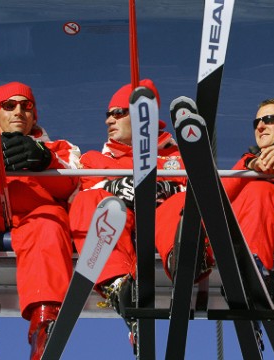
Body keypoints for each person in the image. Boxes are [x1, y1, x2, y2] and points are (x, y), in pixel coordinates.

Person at [156, 98, 274, 351]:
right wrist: (249, 167)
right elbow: (214, 201)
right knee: (257, 192)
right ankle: (247, 275)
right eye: (256, 122)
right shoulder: (246, 168)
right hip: (249, 244)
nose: (260, 126)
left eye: (268, 119)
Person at [68, 79, 212, 351]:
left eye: (118, 112)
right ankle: (120, 287)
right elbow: (81, 191)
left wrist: (170, 186)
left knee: (182, 201)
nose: (110, 119)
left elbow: (203, 190)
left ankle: (185, 257)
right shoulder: (95, 160)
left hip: (159, 224)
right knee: (91, 202)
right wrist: (112, 186)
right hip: (119, 227)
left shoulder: (178, 155)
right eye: (107, 114)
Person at [0, 81, 81, 359]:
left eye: (26, 106)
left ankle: (44, 322)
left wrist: (45, 160)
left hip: (35, 216)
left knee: (49, 220)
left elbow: (78, 181)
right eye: (9, 105)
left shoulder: (59, 149)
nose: (19, 111)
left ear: (35, 115)